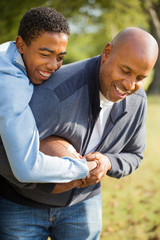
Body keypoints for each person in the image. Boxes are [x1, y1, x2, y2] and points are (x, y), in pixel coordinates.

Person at [0, 27, 158, 239]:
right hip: (22, 205)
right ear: (107, 52)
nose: (130, 85)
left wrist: (107, 162)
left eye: (140, 77)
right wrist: (50, 183)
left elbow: (135, 155)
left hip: (83, 205)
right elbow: (4, 153)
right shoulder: (56, 93)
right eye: (125, 71)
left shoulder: (137, 100)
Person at [0, 6, 96, 188]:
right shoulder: (10, 82)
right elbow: (27, 168)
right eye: (45, 54)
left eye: (60, 57)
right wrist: (85, 166)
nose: (53, 65)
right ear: (20, 44)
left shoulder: (6, 52)